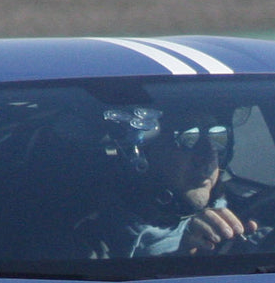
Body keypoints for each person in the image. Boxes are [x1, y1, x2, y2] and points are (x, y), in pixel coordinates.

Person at [80, 106, 258, 258]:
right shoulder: (95, 238)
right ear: (147, 153)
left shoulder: (248, 210)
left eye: (218, 137)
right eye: (188, 139)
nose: (208, 157)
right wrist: (183, 255)